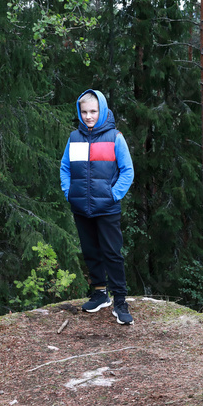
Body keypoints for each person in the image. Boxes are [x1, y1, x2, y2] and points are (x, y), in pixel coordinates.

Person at [59, 89, 135, 325]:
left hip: (107, 208)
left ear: (102, 110)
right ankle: (100, 294)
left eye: (93, 111)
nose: (89, 116)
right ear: (79, 113)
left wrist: (113, 195)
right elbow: (65, 168)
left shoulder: (115, 137)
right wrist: (69, 192)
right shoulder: (74, 138)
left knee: (112, 254)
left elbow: (128, 171)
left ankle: (120, 300)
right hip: (81, 207)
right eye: (84, 112)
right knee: (91, 251)